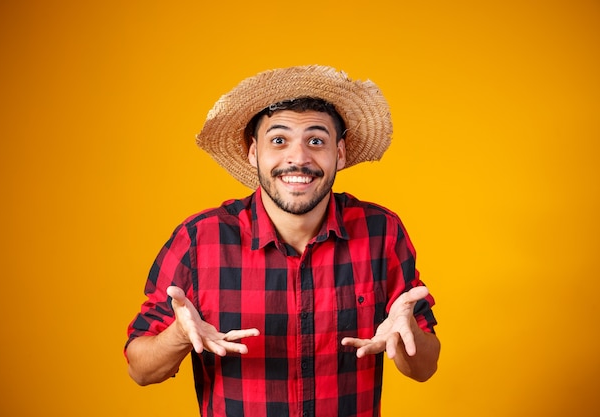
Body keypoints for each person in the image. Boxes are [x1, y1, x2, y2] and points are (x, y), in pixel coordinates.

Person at [125, 65, 440, 417]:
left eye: (316, 141)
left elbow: (425, 368)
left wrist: (407, 330)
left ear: (339, 153)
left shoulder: (381, 232)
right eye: (279, 140)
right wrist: (179, 336)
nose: (299, 158)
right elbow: (140, 370)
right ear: (253, 153)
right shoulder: (200, 240)